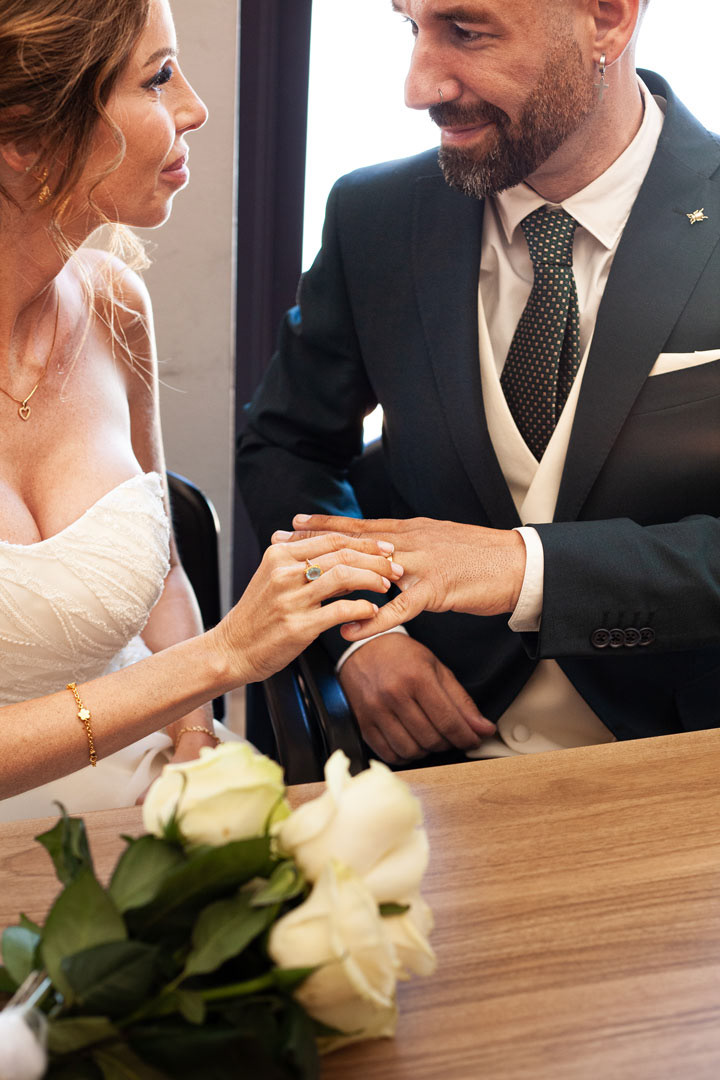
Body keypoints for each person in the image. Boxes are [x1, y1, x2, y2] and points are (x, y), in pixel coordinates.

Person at [237, 0, 720, 766]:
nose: (418, 87)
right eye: (412, 27)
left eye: (465, 32)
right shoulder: (373, 217)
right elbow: (285, 446)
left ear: (607, 19)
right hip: (429, 771)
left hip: (684, 759)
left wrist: (528, 569)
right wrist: (362, 633)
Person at [0, 0, 399, 820]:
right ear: (24, 136)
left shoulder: (114, 305)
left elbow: (163, 572)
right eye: (158, 78)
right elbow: (214, 655)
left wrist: (194, 745)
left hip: (157, 789)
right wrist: (223, 658)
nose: (196, 108)